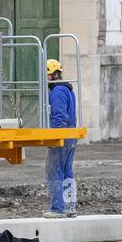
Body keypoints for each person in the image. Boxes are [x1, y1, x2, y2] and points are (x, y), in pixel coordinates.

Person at [44, 58, 77, 218]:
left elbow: (59, 116)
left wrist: (54, 137)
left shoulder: (57, 91)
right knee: (67, 171)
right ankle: (69, 207)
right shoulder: (68, 89)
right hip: (71, 135)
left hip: (62, 136)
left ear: (51, 75)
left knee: (54, 171)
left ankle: (57, 208)